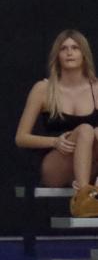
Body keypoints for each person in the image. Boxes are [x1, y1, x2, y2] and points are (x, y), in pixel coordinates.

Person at [14, 29, 98, 213]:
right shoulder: (43, 89)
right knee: (85, 130)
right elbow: (21, 138)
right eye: (63, 48)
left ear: (84, 54)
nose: (69, 53)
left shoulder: (96, 88)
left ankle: (89, 192)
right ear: (57, 55)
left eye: (75, 48)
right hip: (57, 164)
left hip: (91, 164)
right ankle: (83, 198)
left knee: (94, 132)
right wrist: (55, 141)